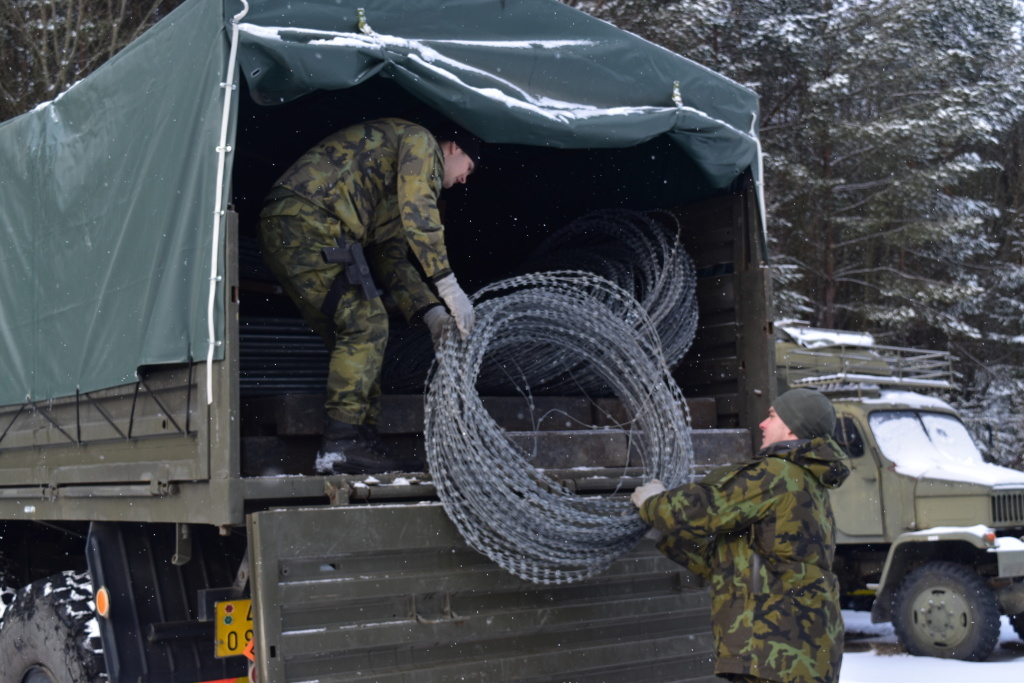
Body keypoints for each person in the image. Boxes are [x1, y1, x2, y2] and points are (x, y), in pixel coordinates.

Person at [258, 117, 481, 475]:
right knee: (367, 323)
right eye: (469, 167)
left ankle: (357, 439)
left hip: (295, 225)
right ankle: (341, 444)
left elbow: (390, 256)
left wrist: (431, 312)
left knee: (355, 337)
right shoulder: (421, 143)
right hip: (309, 220)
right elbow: (420, 213)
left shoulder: (391, 190)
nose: (466, 179)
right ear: (454, 147)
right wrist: (447, 284)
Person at [631, 388, 850, 683]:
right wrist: (665, 534)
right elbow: (732, 566)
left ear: (790, 427)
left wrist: (653, 503)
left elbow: (705, 508)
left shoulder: (778, 473)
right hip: (798, 654)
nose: (761, 423)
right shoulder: (806, 483)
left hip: (774, 652)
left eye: (771, 416)